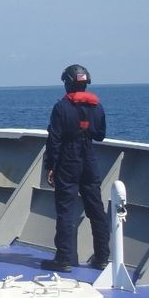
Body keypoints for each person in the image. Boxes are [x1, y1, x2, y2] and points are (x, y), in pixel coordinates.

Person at [41, 64, 109, 273]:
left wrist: (50, 166)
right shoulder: (96, 107)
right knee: (96, 209)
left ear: (68, 83)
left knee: (65, 211)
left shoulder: (61, 108)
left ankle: (64, 258)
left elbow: (55, 139)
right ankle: (102, 257)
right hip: (89, 158)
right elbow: (100, 135)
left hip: (68, 160)